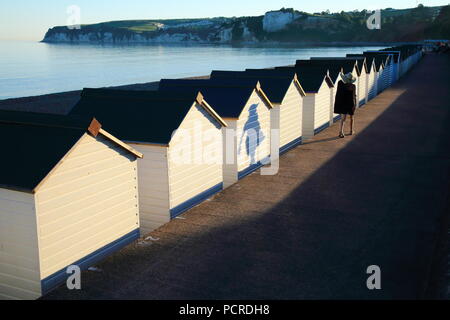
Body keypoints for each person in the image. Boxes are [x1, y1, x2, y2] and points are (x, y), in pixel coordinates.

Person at [334, 72, 357, 138]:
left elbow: (353, 96)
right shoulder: (353, 86)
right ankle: (351, 131)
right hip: (351, 104)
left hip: (344, 104)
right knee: (351, 118)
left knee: (343, 119)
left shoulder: (341, 85)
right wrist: (355, 104)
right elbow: (354, 96)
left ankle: (341, 132)